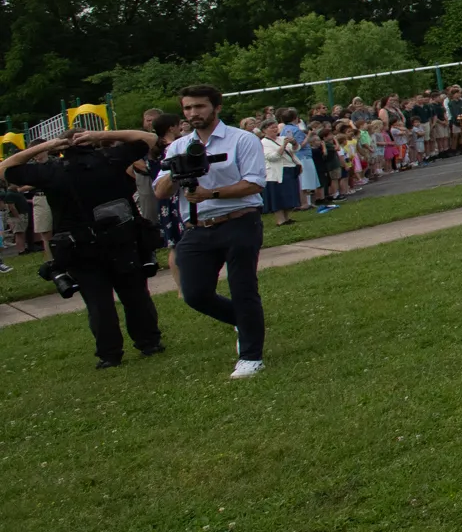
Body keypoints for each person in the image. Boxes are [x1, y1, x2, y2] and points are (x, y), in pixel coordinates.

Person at [3, 127, 165, 369]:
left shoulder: (51, 171)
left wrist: (46, 146)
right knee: (135, 294)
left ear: (61, 148)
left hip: (80, 246)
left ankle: (109, 354)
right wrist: (101, 136)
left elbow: (5, 169)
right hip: (121, 238)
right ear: (90, 141)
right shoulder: (111, 158)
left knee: (98, 302)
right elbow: (150, 139)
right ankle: (149, 342)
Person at [155, 85, 271, 378]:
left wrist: (212, 194)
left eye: (200, 107)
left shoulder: (241, 140)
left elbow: (254, 183)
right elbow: (159, 191)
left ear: (216, 107)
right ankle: (244, 321)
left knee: (243, 287)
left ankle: (251, 356)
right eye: (188, 108)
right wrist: (175, 171)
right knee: (194, 293)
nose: (193, 113)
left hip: (239, 220)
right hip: (197, 227)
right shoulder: (178, 146)